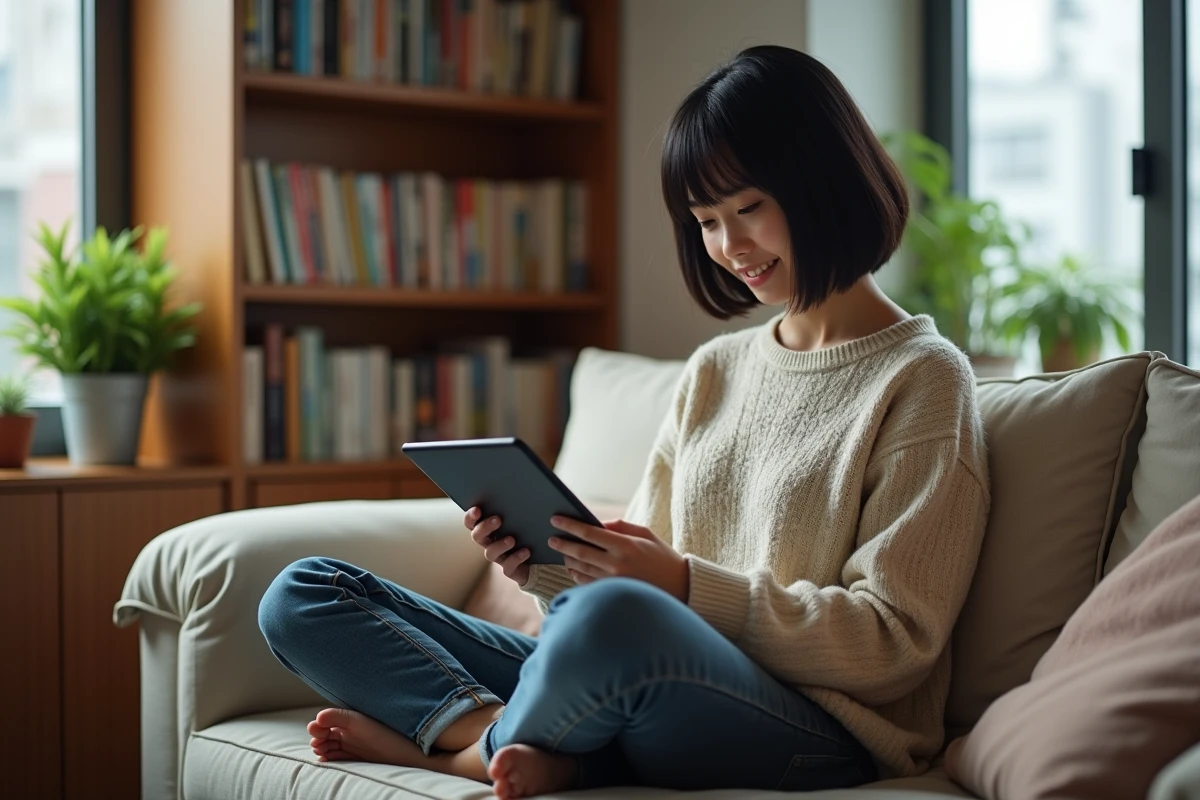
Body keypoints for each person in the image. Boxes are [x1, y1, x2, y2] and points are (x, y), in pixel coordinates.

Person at [257, 44, 990, 799]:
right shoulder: (715, 371)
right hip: (650, 682)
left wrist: (681, 585)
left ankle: (460, 757)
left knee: (615, 621)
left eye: (748, 209)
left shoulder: (923, 379)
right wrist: (543, 567)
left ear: (821, 181)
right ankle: (505, 733)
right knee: (304, 592)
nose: (729, 247)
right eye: (706, 221)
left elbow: (894, 643)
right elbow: (622, 581)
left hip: (817, 736)